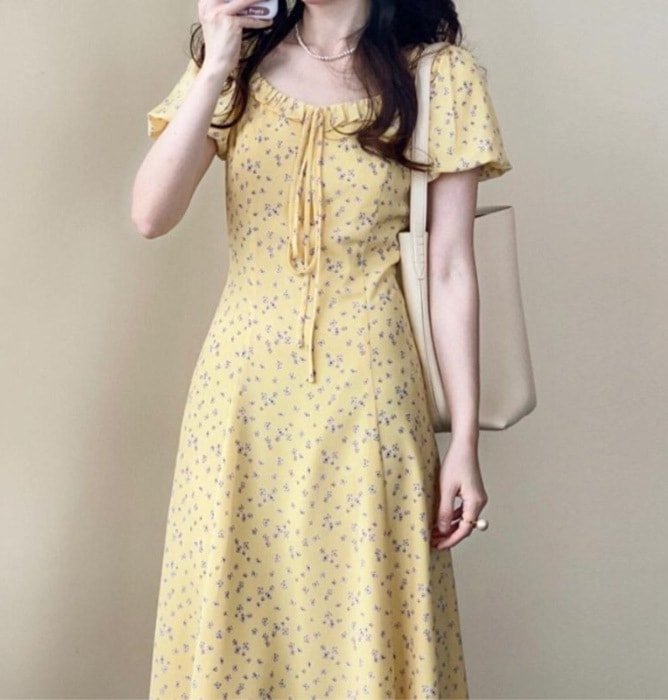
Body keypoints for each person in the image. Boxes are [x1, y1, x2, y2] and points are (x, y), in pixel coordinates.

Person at [132, 0, 512, 696]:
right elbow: (151, 214)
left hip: (370, 399)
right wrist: (215, 66)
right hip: (240, 403)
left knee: (365, 624)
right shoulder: (237, 65)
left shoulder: (438, 76)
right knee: (234, 624)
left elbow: (451, 269)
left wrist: (464, 441)